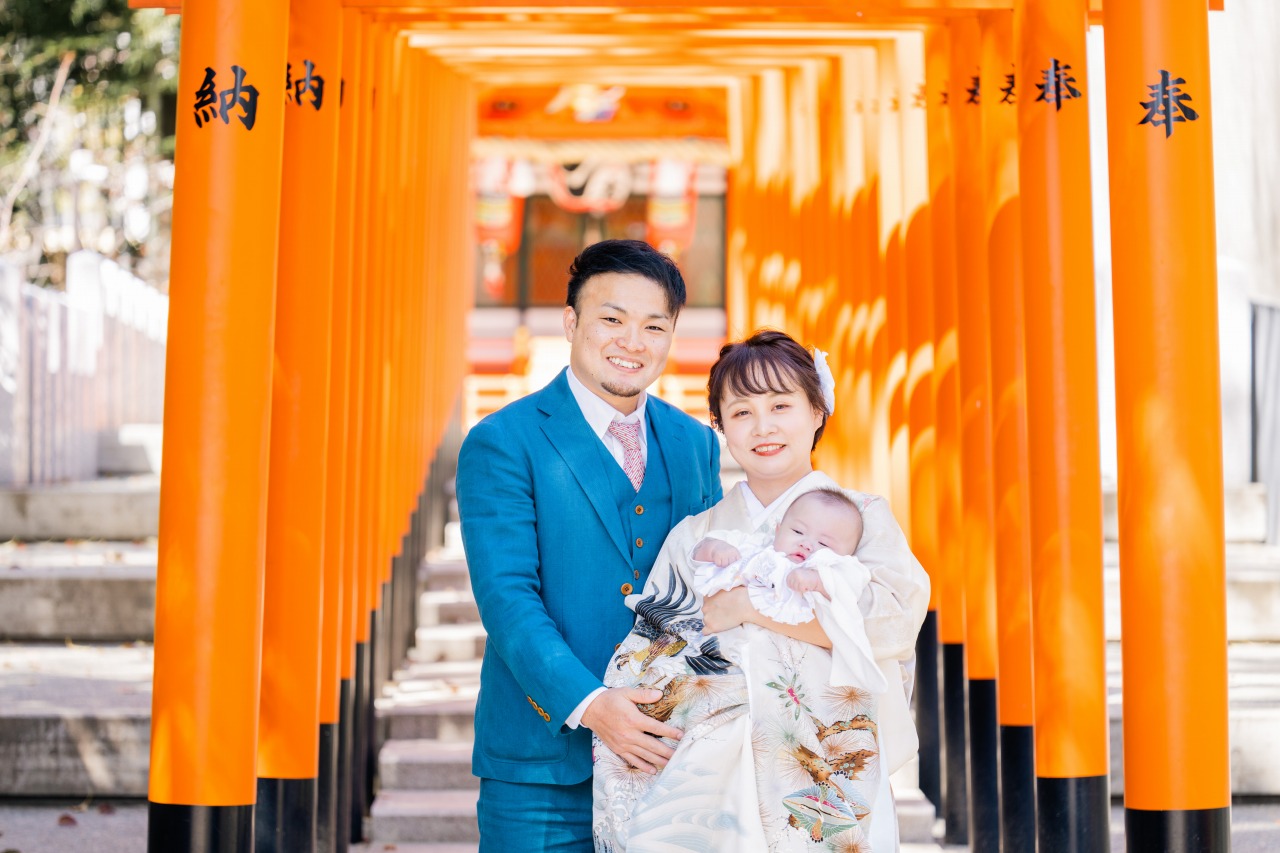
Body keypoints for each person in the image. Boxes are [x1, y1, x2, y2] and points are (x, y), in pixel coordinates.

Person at [592, 329, 930, 852]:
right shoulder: (697, 536)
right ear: (720, 425)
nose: (763, 426)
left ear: (818, 411)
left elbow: (892, 622)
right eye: (742, 411)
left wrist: (748, 607)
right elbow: (654, 643)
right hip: (708, 776)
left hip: (824, 768)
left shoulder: (861, 518)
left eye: (781, 404)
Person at [455, 239, 723, 852]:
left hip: (669, 764)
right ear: (572, 321)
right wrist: (593, 704)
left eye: (654, 325)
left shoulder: (694, 444)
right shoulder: (503, 440)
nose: (633, 342)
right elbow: (507, 598)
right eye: (612, 319)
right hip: (541, 769)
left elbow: (709, 590)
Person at [690, 487, 868, 626]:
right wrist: (716, 549)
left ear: (847, 555)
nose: (807, 544)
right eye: (798, 531)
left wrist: (816, 580)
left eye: (824, 544)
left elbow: (850, 584)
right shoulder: (758, 547)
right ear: (778, 529)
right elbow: (698, 551)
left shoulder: (833, 567)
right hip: (729, 635)